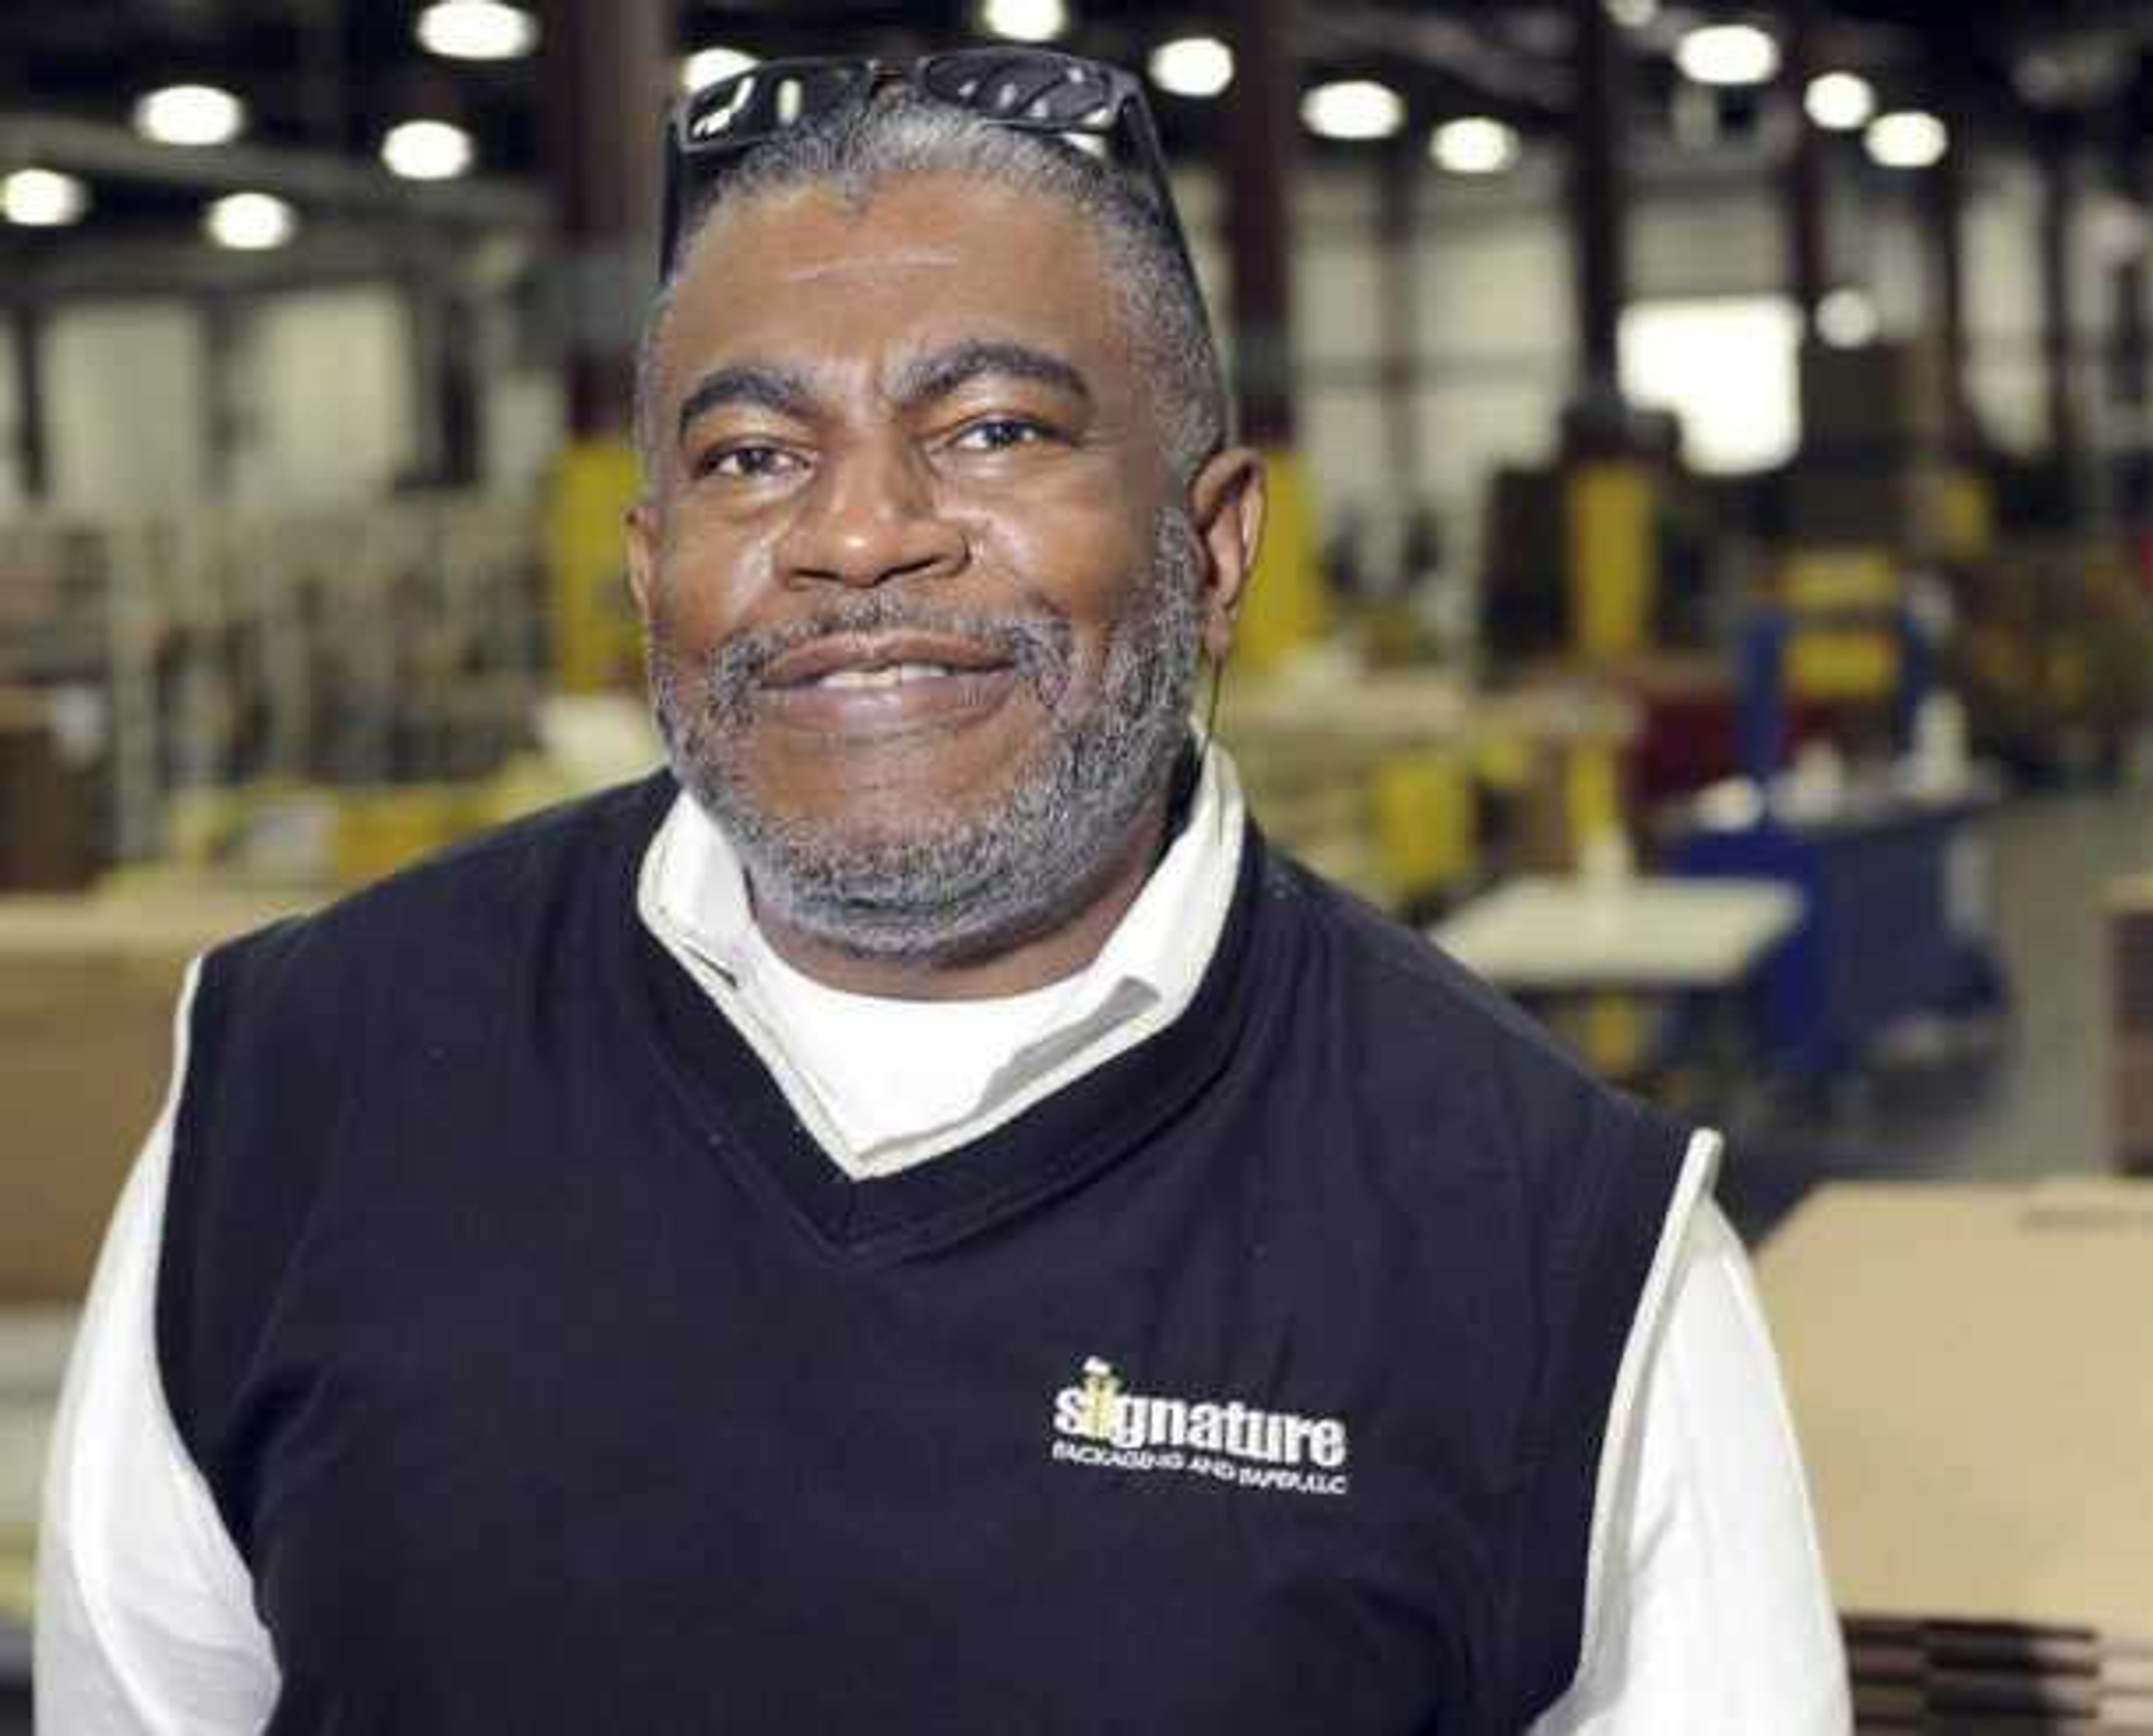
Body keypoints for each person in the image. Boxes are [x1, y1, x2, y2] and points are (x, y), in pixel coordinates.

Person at [38, 50, 1847, 1734]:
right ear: (651, 567)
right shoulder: (298, 1086)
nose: (857, 531)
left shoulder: (1558, 1252)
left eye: (992, 429)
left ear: (1212, 545)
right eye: (753, 457)